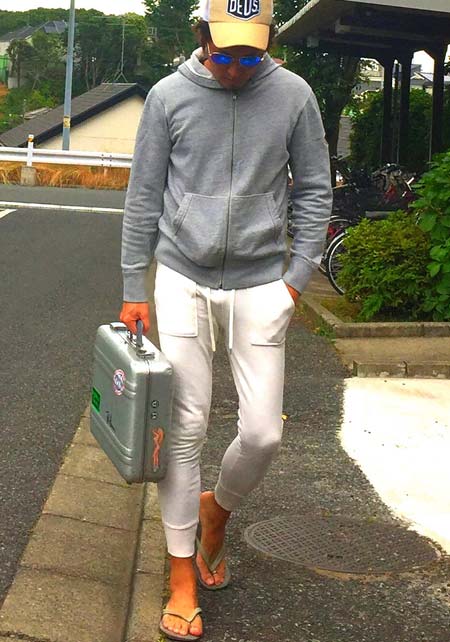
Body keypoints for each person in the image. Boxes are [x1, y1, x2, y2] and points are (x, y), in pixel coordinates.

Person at [120, 0, 332, 638]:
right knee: (186, 425)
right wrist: (134, 285)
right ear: (203, 37)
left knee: (264, 433)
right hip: (181, 274)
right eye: (225, 53)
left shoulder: (294, 95)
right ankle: (181, 574)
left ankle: (217, 511)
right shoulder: (168, 96)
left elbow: (314, 188)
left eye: (251, 55)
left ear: (268, 45)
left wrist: (296, 280)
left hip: (264, 281)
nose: (237, 67)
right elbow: (144, 194)